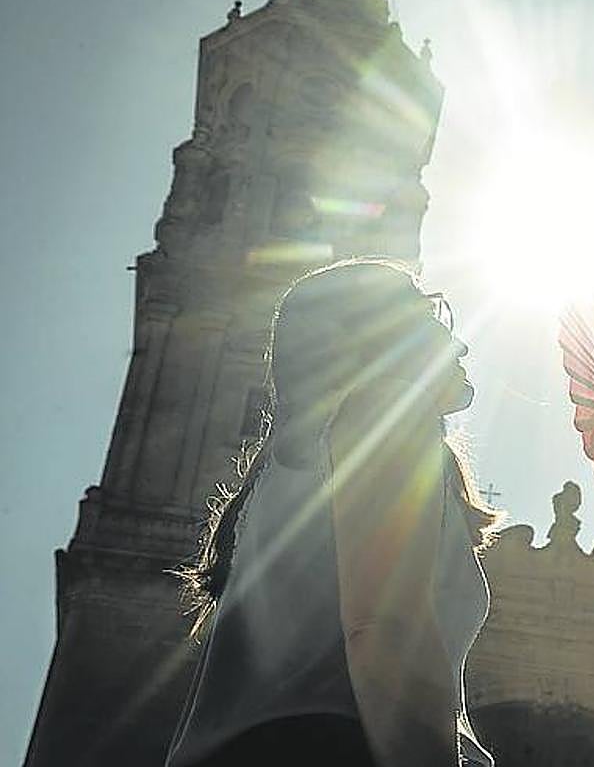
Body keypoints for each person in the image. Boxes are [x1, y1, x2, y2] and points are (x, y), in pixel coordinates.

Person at [167, 258, 502, 767]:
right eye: (430, 315)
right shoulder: (383, 416)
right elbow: (383, 628)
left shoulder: (290, 473)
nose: (460, 342)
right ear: (381, 340)